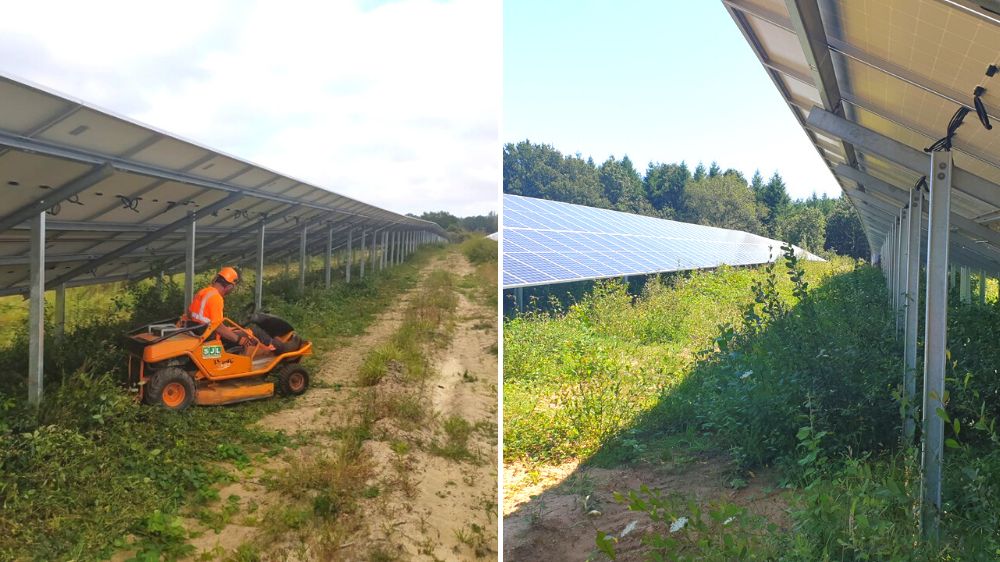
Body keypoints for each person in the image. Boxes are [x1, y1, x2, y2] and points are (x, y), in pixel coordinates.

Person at [187, 267, 293, 353]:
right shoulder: (216, 298)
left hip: (199, 331)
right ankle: (276, 349)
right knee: (253, 332)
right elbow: (218, 327)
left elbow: (194, 314)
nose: (232, 290)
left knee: (237, 330)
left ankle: (265, 350)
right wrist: (239, 340)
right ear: (228, 286)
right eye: (233, 287)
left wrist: (227, 329)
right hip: (210, 339)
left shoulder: (203, 292)